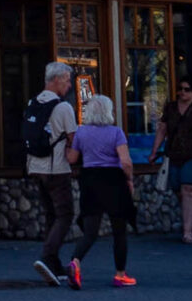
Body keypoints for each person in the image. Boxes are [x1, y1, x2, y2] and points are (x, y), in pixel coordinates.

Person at [62, 93, 137, 287]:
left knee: (90, 231)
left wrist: (65, 146)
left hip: (90, 180)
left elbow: (72, 159)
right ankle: (120, 273)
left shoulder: (82, 133)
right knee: (119, 230)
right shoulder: (116, 133)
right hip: (113, 180)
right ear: (108, 112)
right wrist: (129, 179)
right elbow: (126, 161)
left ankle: (76, 261)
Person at [25, 62, 80, 287]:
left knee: (51, 214)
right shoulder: (63, 107)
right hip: (56, 168)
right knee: (65, 214)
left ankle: (54, 265)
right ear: (56, 80)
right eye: (67, 80)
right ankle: (47, 256)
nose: (68, 85)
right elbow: (73, 138)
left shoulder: (33, 102)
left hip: (35, 167)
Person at [153, 78, 192, 242]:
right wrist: (154, 150)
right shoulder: (170, 108)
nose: (183, 92)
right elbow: (162, 129)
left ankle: (187, 232)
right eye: (180, 89)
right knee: (181, 193)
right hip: (174, 153)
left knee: (189, 190)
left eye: (187, 89)